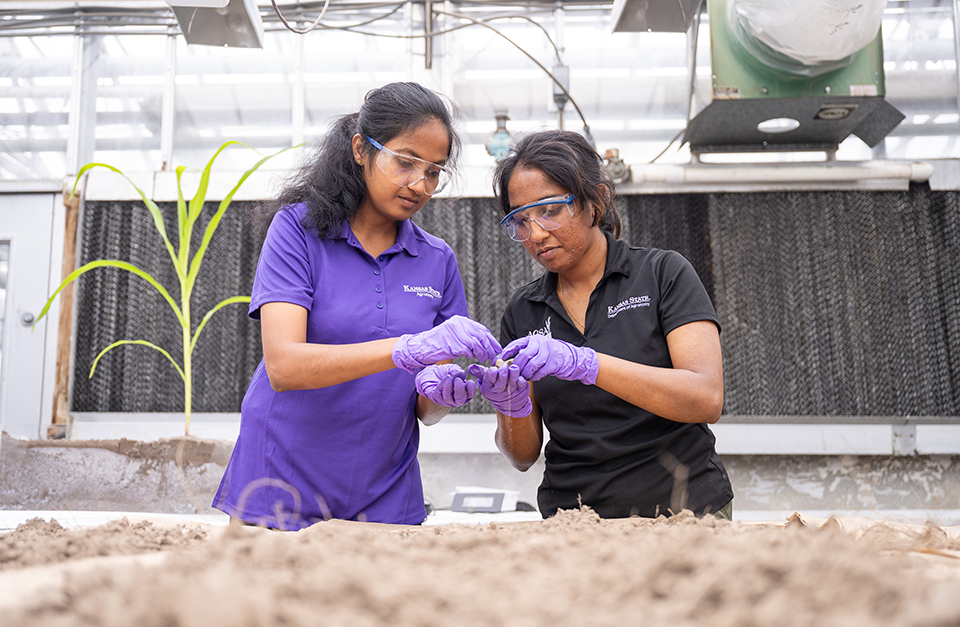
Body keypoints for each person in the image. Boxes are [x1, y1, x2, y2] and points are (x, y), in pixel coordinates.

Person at [212, 82, 500, 530]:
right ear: (361, 150)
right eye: (405, 162)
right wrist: (403, 348)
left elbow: (426, 408)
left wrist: (444, 394)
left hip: (384, 488)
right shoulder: (298, 232)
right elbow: (283, 366)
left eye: (434, 171)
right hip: (281, 480)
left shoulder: (436, 260)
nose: (419, 184)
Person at [467, 129, 734, 520]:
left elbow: (705, 398)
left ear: (596, 202)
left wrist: (587, 364)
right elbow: (522, 456)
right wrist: (509, 404)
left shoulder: (661, 274)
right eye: (520, 220)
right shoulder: (524, 310)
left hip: (686, 510)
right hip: (575, 519)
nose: (535, 234)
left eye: (550, 210)